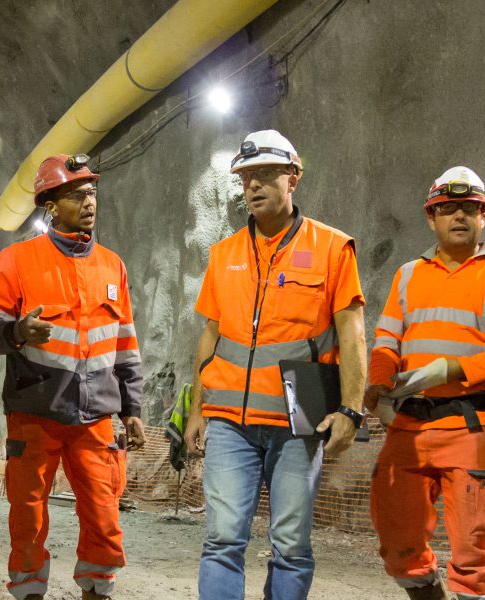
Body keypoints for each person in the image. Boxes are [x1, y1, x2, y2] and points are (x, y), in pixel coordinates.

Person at [183, 130, 367, 600]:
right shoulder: (224, 256)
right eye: (247, 178)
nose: (254, 186)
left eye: (266, 174)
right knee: (222, 539)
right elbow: (211, 335)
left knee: (291, 544)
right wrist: (197, 410)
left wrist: (350, 410)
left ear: (294, 178)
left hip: (300, 415)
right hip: (229, 420)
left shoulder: (332, 248)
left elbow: (352, 333)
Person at [0, 154, 145, 600]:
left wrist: (133, 409)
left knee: (104, 510)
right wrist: (17, 331)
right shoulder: (17, 260)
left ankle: (97, 589)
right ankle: (30, 590)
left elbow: (126, 343)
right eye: (76, 194)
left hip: (95, 417)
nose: (89, 201)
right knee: (28, 513)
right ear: (51, 204)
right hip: (35, 411)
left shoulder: (113, 265)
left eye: (91, 192)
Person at [366, 167, 485, 600]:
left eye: (469, 208)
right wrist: (379, 383)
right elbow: (386, 341)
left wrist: (453, 370)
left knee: (475, 550)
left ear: (483, 216)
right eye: (447, 208)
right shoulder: (407, 274)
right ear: (430, 218)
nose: (459, 216)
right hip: (410, 426)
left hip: (473, 424)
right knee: (397, 536)